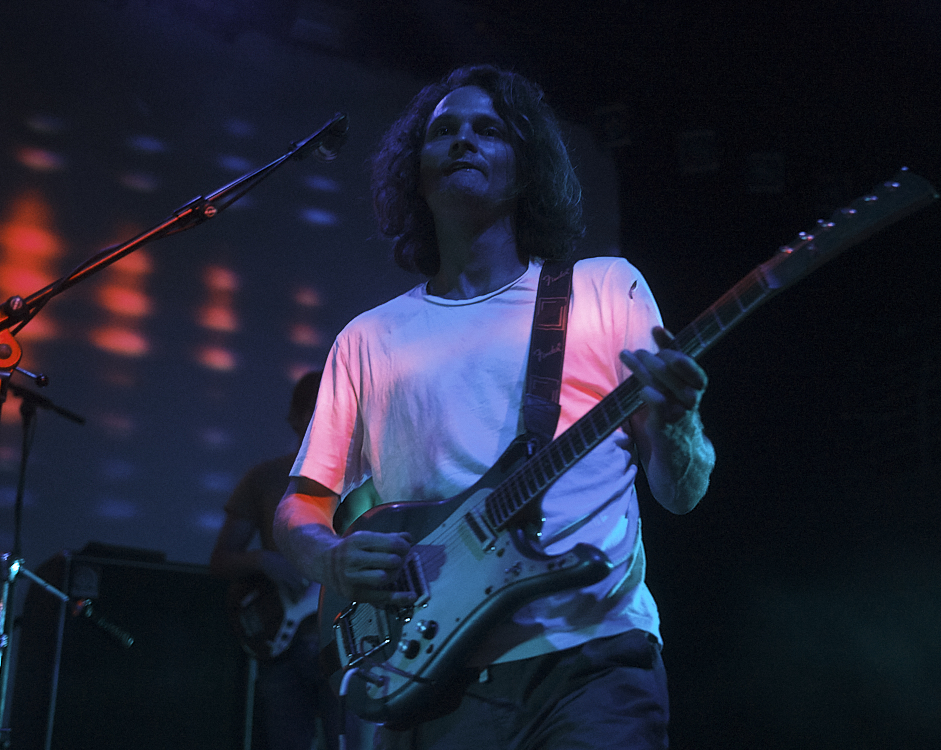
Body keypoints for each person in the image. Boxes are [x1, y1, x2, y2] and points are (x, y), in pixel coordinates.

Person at [273, 64, 715, 749]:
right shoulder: (369, 338)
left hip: (591, 662)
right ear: (415, 173)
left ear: (525, 165)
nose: (464, 140)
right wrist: (331, 559)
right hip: (428, 678)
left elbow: (680, 494)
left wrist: (679, 419)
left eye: (488, 129)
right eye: (443, 131)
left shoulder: (605, 291)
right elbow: (299, 506)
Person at [210, 371, 356, 750]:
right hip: (285, 645)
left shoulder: (365, 480)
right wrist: (265, 560)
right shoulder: (265, 477)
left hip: (348, 642)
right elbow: (221, 560)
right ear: (295, 418)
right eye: (317, 413)